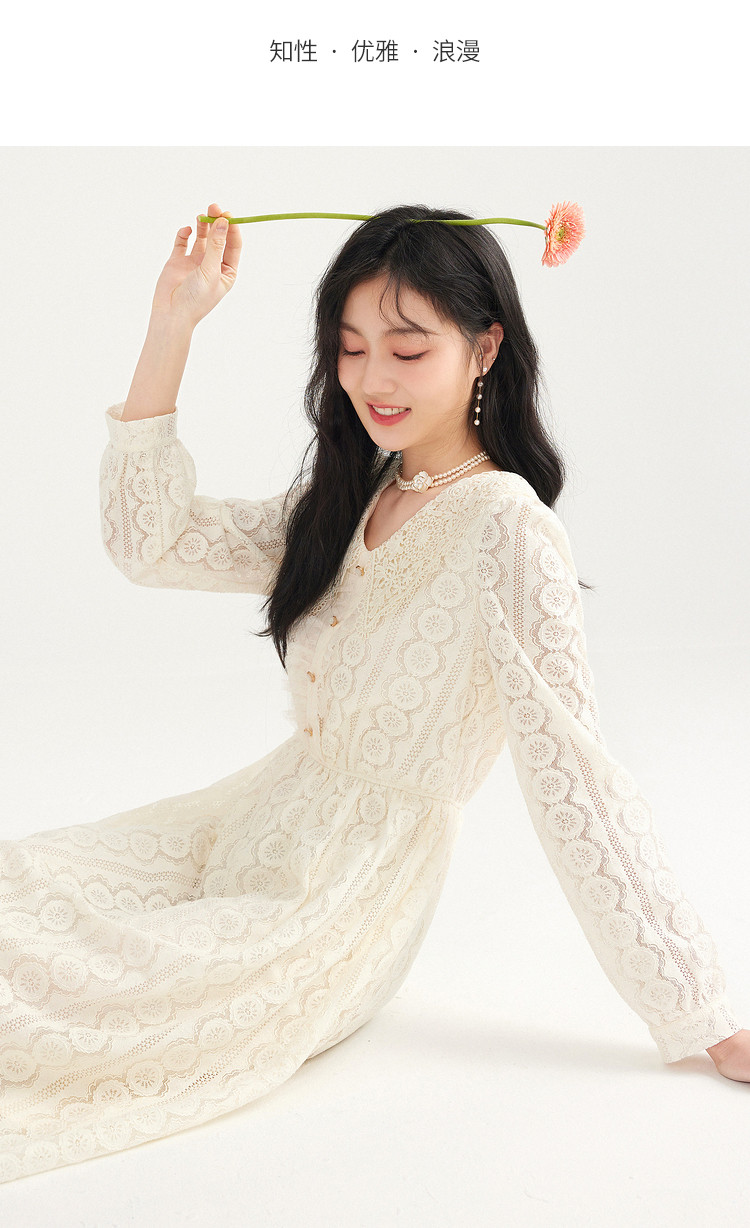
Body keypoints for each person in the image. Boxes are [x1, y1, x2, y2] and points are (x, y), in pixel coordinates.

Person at [1, 202, 747, 1187]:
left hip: (338, 901)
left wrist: (702, 1010)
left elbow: (578, 785)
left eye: (407, 348)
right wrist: (173, 323)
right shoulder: (358, 492)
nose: (372, 380)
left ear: (485, 349)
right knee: (24, 887)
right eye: (351, 349)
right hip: (249, 821)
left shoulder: (505, 529)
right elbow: (153, 543)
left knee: (69, 985)